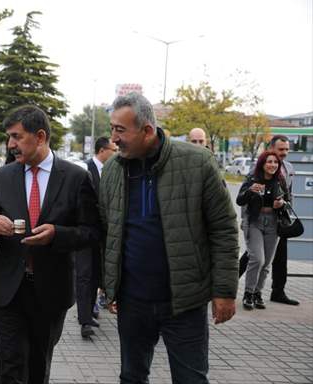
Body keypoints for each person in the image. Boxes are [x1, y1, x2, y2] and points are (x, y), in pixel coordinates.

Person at [100, 93, 238, 384]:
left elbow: (223, 228)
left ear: (147, 130)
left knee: (191, 379)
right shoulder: (113, 169)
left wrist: (225, 291)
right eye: (112, 129)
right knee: (131, 377)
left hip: (184, 303)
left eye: (120, 130)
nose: (113, 138)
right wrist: (109, 285)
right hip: (132, 301)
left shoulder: (197, 162)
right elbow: (106, 231)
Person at [0, 105, 100, 383]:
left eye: (17, 136)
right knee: (9, 367)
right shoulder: (3, 176)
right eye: (9, 137)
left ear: (40, 136)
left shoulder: (76, 177)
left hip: (51, 291)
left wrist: (57, 234)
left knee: (37, 367)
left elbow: (92, 232)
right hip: (7, 291)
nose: (11, 144)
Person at [238, 135, 299, 305]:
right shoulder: (255, 172)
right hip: (256, 220)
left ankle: (274, 292)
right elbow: (244, 199)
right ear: (271, 148)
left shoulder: (287, 169)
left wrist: (285, 209)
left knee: (273, 260)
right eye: (281, 149)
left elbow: (288, 195)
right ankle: (241, 290)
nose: (284, 152)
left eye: (287, 149)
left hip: (277, 220)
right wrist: (244, 220)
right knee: (256, 258)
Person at [75, 136, 116, 338]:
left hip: (102, 233)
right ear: (102, 150)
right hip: (84, 232)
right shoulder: (84, 169)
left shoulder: (112, 171)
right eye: (113, 150)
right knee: (84, 275)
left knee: (95, 275)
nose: (116, 153)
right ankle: (84, 320)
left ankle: (90, 312)